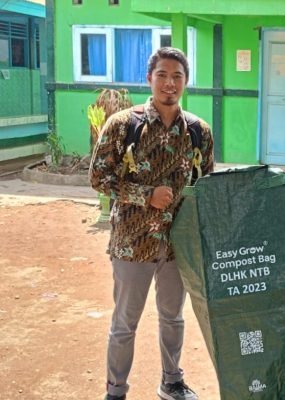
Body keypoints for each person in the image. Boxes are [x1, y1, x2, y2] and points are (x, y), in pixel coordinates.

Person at [89, 47, 214, 400]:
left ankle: (171, 381)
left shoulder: (198, 132)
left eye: (177, 76)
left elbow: (206, 184)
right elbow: (98, 179)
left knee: (173, 318)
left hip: (178, 246)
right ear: (150, 79)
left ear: (186, 82)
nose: (169, 84)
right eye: (162, 75)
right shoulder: (124, 125)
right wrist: (146, 195)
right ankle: (116, 391)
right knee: (124, 324)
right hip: (132, 243)